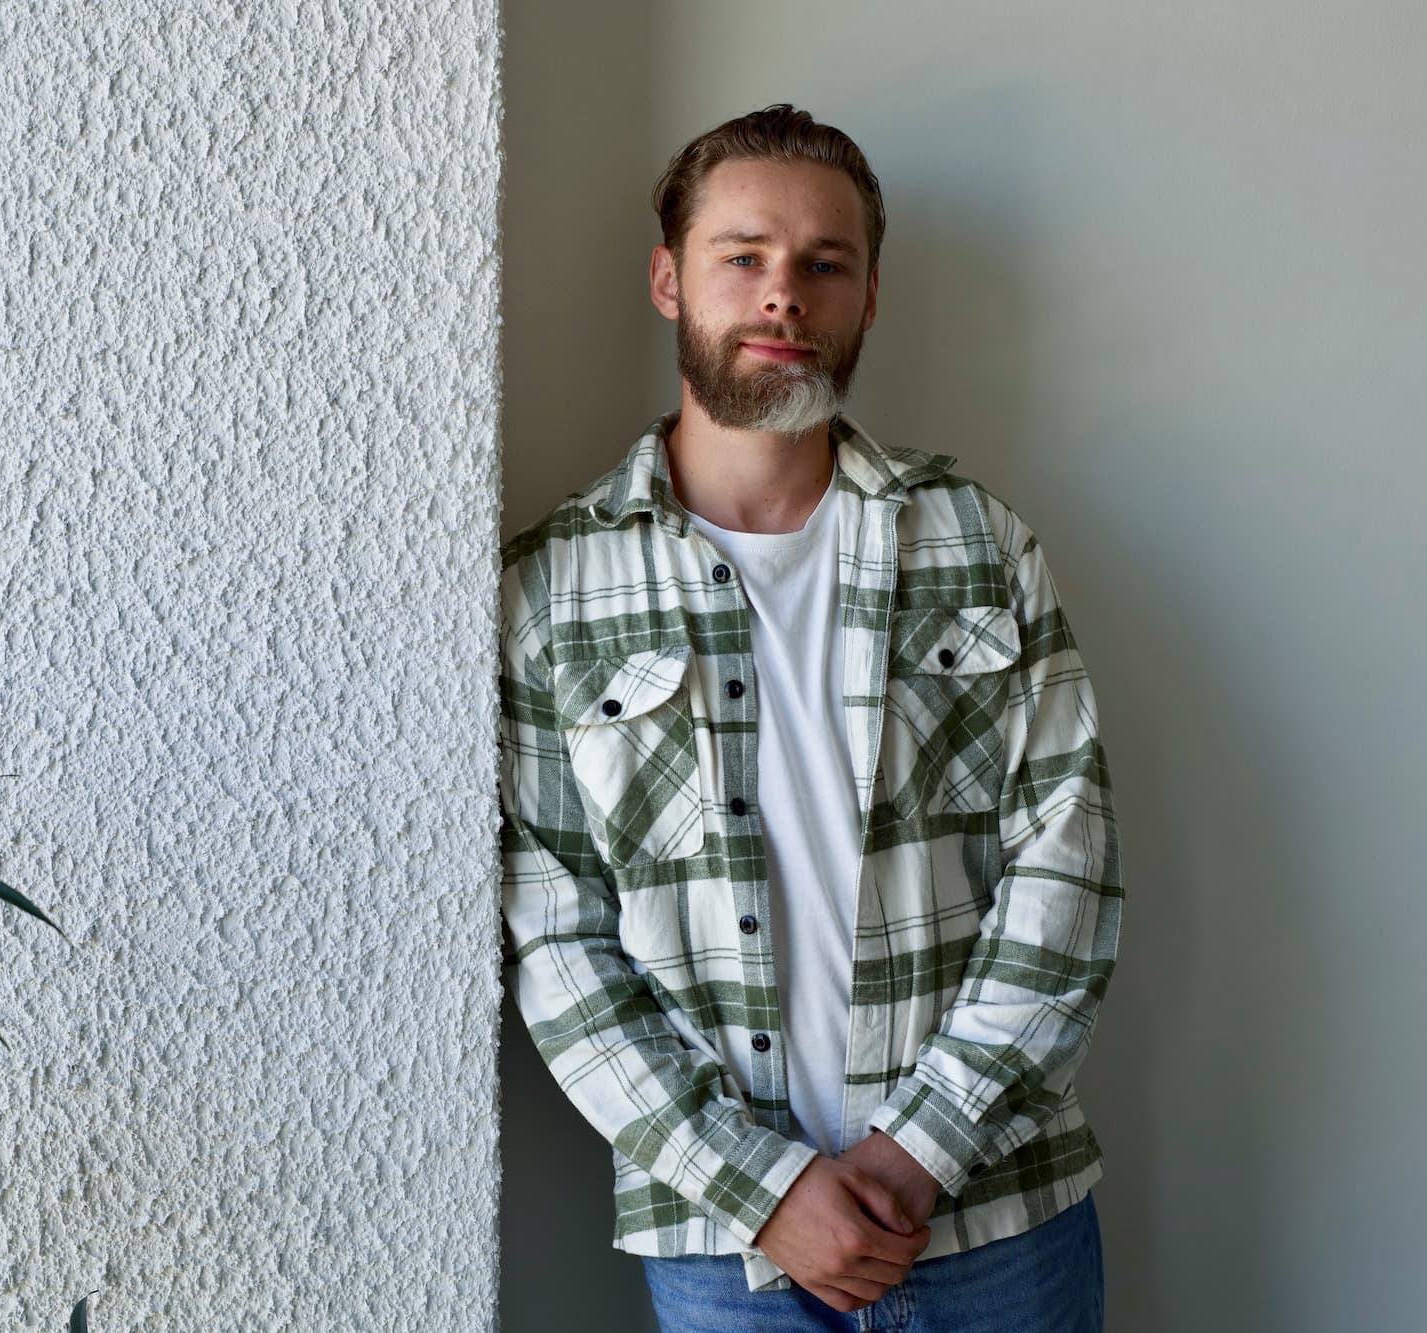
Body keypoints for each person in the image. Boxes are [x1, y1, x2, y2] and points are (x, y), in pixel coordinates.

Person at [496, 104, 1124, 1331]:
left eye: (822, 263)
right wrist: (768, 1189)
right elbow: (556, 941)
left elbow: (1069, 857)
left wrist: (917, 1150)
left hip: (997, 1212)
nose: (783, 294)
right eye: (743, 256)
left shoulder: (974, 540)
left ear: (868, 296)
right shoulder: (549, 589)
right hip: (726, 1243)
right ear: (669, 280)